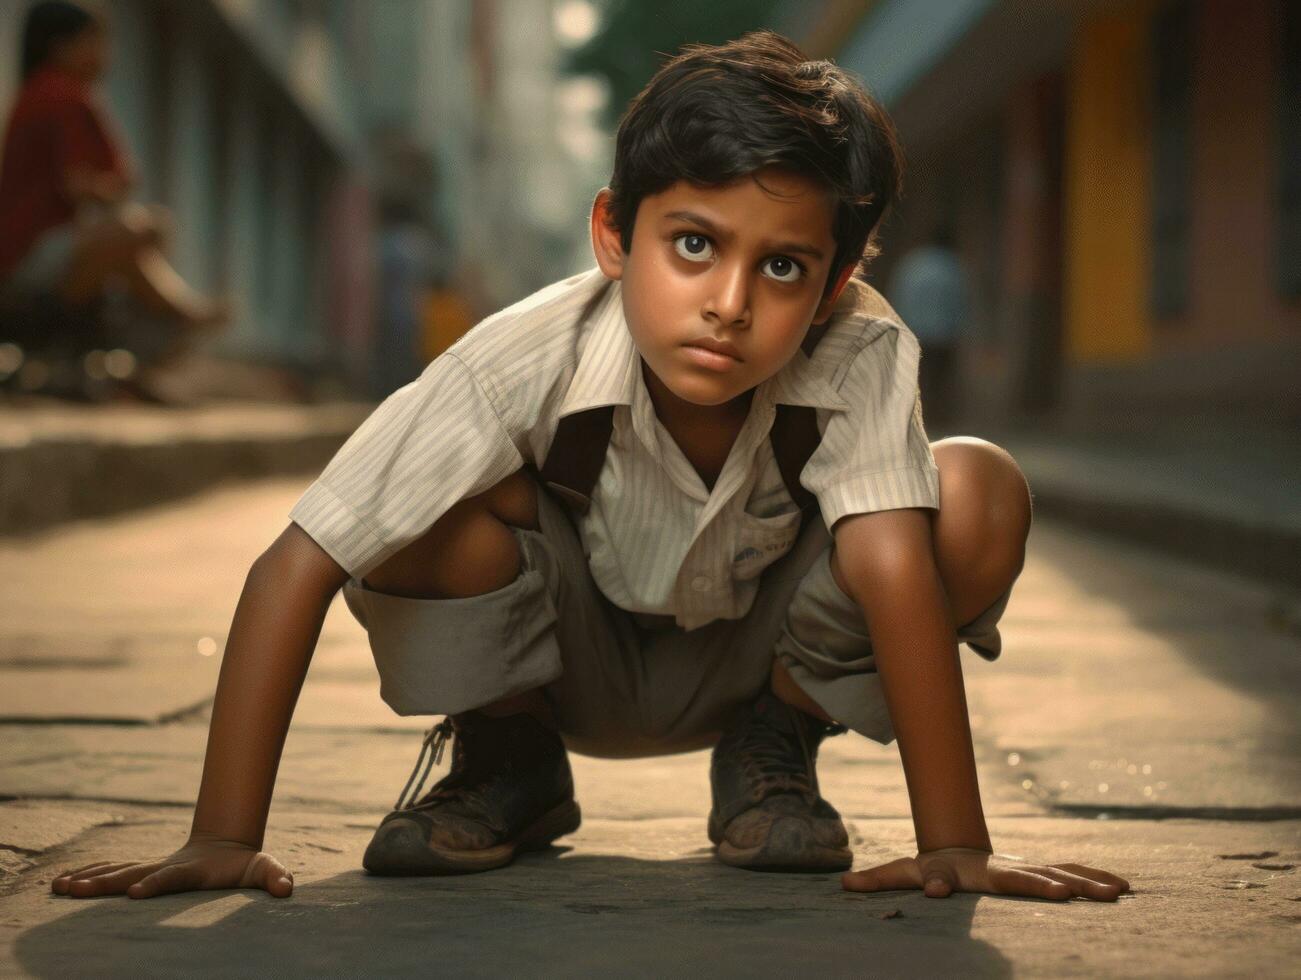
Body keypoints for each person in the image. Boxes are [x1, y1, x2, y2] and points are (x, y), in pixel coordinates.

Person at [51, 32, 1128, 903]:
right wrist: (222, 833)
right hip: (557, 660)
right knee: (420, 502)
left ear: (839, 280)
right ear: (615, 233)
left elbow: (892, 564)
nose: (729, 302)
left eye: (784, 265)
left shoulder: (860, 347)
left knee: (976, 487)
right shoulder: (523, 354)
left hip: (758, 660)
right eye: (694, 244)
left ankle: (775, 748)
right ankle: (506, 758)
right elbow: (299, 560)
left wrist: (955, 843)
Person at [0, 1, 225, 373]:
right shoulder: (60, 94)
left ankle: (176, 318)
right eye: (94, 41)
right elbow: (87, 185)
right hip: (25, 260)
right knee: (140, 230)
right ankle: (177, 318)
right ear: (61, 46)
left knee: (135, 240)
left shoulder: (41, 92)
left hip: (29, 253)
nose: (107, 54)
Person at [888, 227, 966, 427]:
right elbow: (959, 302)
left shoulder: (912, 263)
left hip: (914, 332)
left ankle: (916, 417)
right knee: (940, 380)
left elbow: (899, 297)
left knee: (916, 377)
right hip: (943, 336)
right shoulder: (952, 266)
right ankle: (939, 417)